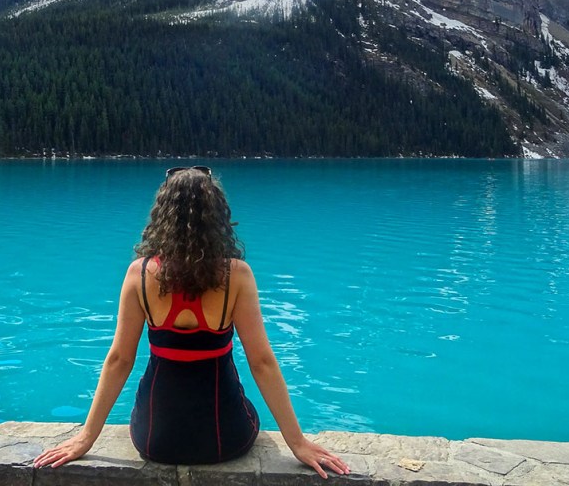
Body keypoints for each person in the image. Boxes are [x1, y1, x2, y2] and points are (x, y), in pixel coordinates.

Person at [34, 166, 350, 478]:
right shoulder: (236, 276)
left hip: (154, 440)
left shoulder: (139, 275)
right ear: (217, 216)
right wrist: (297, 443)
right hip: (224, 440)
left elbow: (119, 360)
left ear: (161, 215)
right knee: (247, 409)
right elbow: (262, 363)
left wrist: (86, 437)